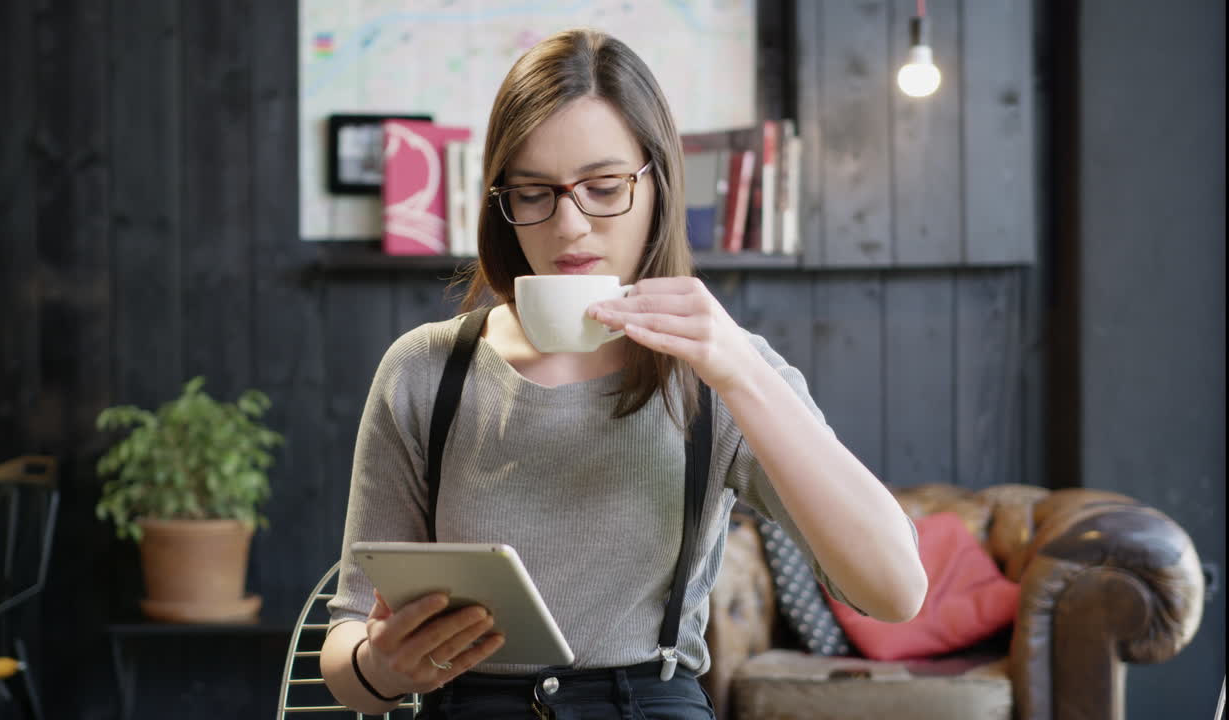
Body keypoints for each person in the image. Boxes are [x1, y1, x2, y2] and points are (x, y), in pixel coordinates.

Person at [320, 27, 926, 719]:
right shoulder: (426, 370)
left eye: (604, 188)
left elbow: (895, 591)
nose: (569, 225)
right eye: (533, 193)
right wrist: (379, 666)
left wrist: (742, 373)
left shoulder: (720, 370)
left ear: (658, 184)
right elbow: (347, 644)